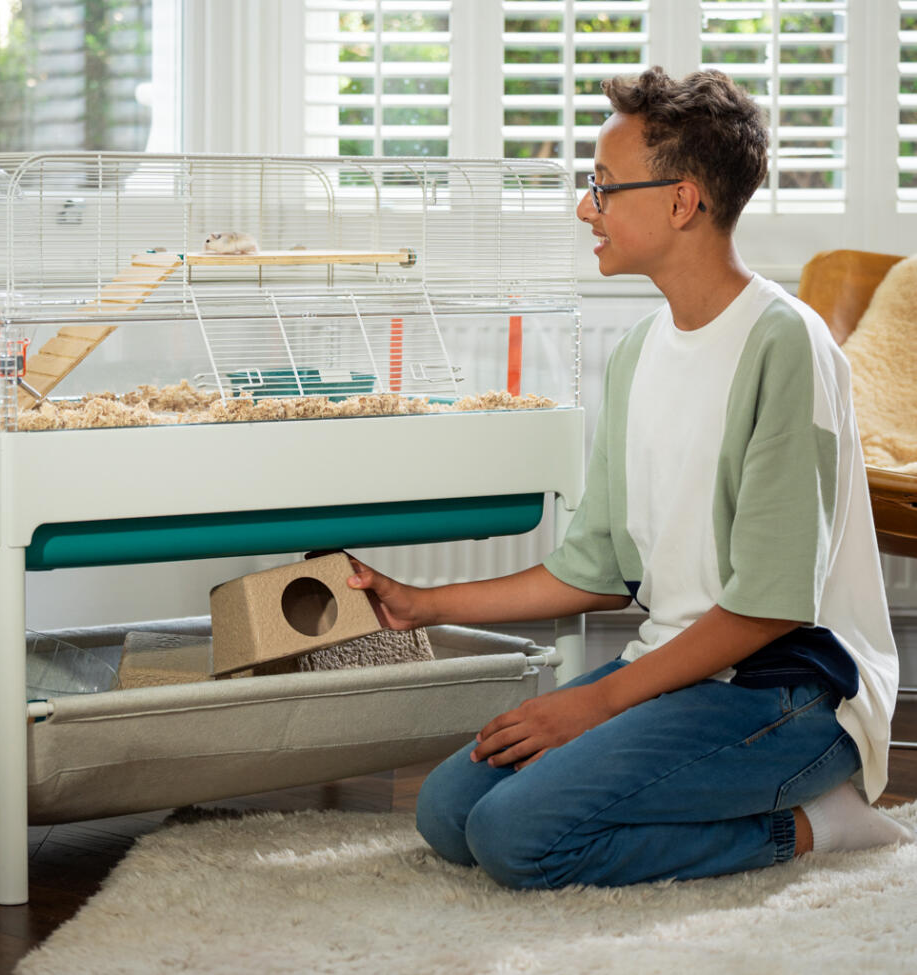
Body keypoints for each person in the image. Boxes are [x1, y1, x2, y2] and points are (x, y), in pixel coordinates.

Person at [347, 66, 911, 889]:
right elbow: (596, 569)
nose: (586, 208)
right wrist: (421, 603)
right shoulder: (640, 350)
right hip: (680, 670)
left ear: (681, 201)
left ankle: (816, 822)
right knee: (448, 811)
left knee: (514, 836)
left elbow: (770, 602)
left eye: (603, 189)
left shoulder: (784, 344)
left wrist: (593, 703)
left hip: (790, 692)